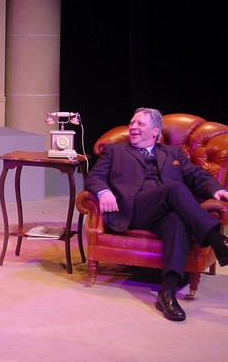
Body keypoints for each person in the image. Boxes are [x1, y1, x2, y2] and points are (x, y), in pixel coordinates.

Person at [84, 107, 228, 321]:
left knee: (176, 221)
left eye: (140, 124)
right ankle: (216, 239)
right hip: (133, 210)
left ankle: (167, 293)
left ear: (155, 131)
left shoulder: (173, 153)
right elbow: (94, 176)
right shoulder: (115, 151)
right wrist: (103, 192)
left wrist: (217, 190)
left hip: (162, 213)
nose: (133, 127)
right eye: (132, 123)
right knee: (175, 188)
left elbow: (197, 176)